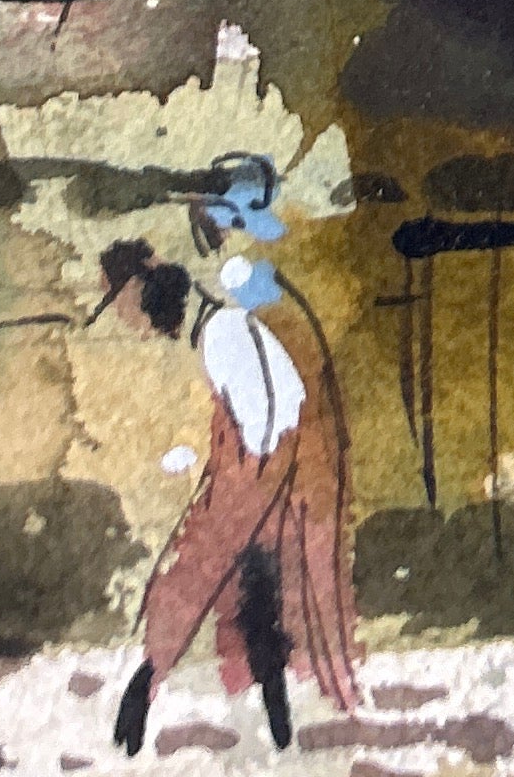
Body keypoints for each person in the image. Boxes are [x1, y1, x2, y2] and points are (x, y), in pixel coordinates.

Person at [113, 154, 358, 756]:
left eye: (139, 315)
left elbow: (274, 410)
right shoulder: (220, 330)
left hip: (262, 478)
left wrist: (245, 480)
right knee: (255, 599)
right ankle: (264, 713)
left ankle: (148, 686)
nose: (144, 328)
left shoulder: (224, 333)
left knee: (203, 578)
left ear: (158, 306)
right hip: (262, 474)